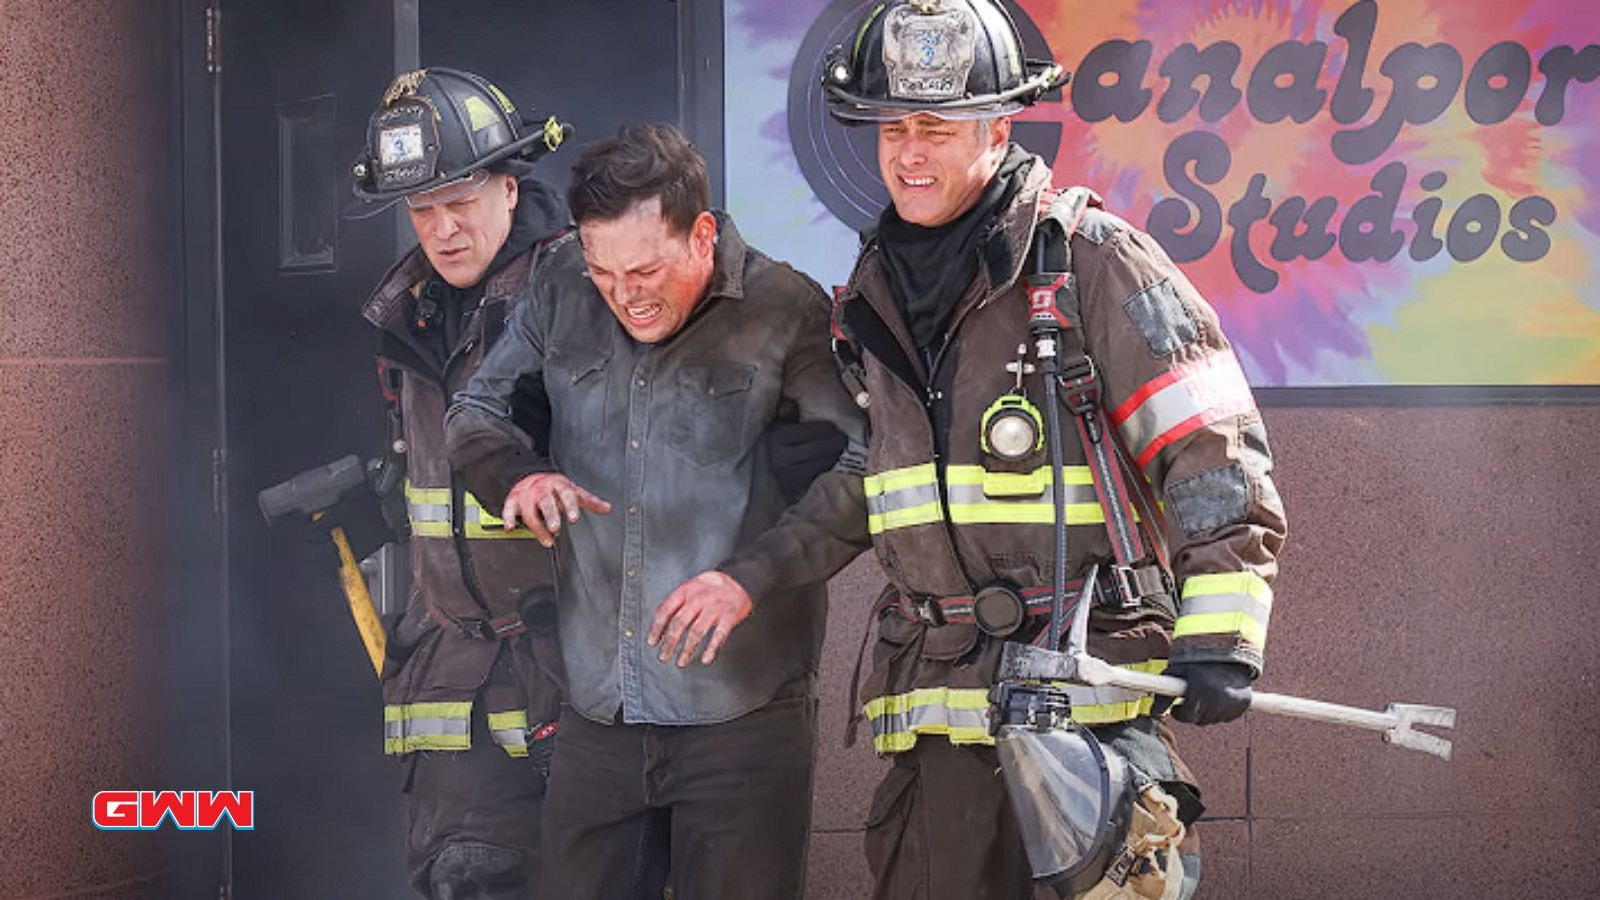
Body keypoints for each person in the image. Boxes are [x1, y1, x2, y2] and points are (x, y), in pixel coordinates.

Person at [814, 2, 1289, 898]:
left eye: (936, 126)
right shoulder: (872, 292)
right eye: (891, 127)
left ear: (1000, 124)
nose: (908, 151)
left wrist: (1222, 634)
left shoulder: (1095, 265)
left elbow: (1215, 455)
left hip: (1090, 722)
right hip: (939, 726)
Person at [444, 122, 869, 900]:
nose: (623, 294)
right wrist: (517, 475)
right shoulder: (561, 284)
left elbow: (860, 466)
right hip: (597, 713)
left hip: (742, 718)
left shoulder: (784, 308)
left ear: (702, 233)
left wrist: (750, 577)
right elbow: (476, 411)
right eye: (604, 272)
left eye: (645, 270)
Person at [345, 66, 574, 900]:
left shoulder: (581, 294)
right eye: (421, 210)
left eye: (459, 202)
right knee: (467, 879)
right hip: (453, 672)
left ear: (510, 189)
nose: (440, 230)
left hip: (575, 671)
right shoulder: (407, 314)